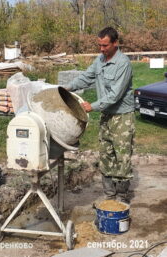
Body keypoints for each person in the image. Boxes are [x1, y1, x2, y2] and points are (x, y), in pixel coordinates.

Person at [66, 27, 135, 203]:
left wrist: (92, 106)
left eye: (105, 45)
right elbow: (86, 77)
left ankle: (122, 196)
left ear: (115, 43)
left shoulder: (123, 63)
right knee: (106, 154)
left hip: (122, 117)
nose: (102, 49)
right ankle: (109, 194)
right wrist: (67, 88)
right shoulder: (100, 60)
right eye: (99, 45)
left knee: (122, 156)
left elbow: (115, 95)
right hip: (107, 115)